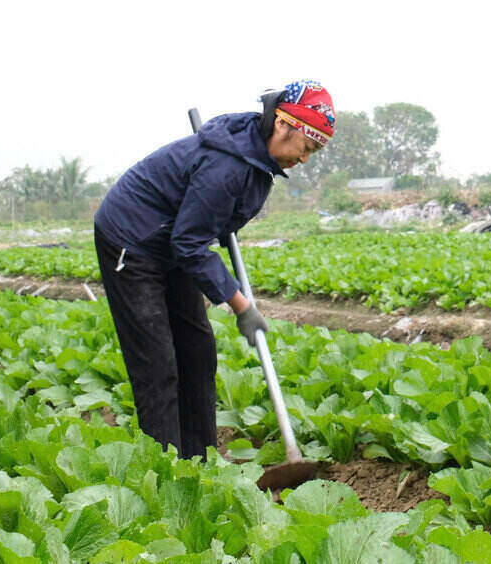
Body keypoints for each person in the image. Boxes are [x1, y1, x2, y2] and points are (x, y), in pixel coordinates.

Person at [92, 80, 335, 459]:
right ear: (283, 125)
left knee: (198, 350)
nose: (304, 159)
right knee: (158, 364)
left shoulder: (255, 160)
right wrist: (242, 307)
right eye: (307, 147)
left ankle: (199, 463)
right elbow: (190, 244)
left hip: (173, 240)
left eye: (314, 152)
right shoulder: (228, 166)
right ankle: (165, 471)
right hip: (132, 239)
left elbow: (199, 231)